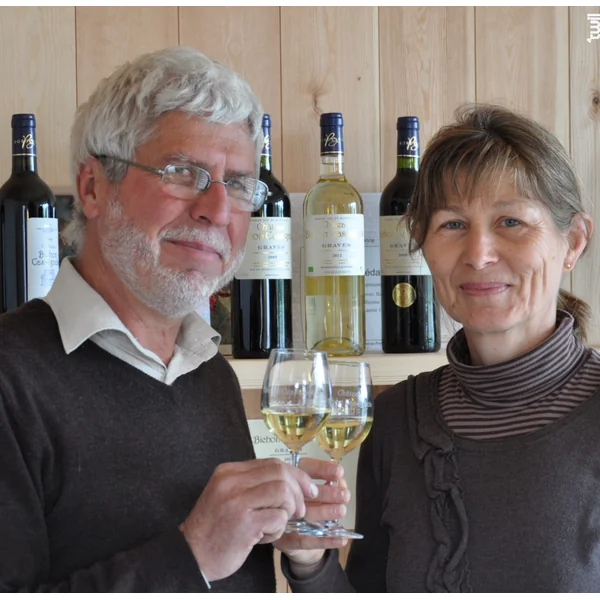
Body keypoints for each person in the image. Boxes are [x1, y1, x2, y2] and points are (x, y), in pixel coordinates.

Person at [0, 46, 348, 592]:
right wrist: (193, 555)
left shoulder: (210, 373)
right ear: (93, 188)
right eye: (183, 173)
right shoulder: (10, 377)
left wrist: (309, 564)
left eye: (238, 184)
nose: (217, 210)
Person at [278, 104, 600, 592]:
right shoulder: (396, 420)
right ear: (421, 244)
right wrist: (310, 563)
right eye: (452, 224)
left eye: (511, 221)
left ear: (573, 241)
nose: (478, 254)